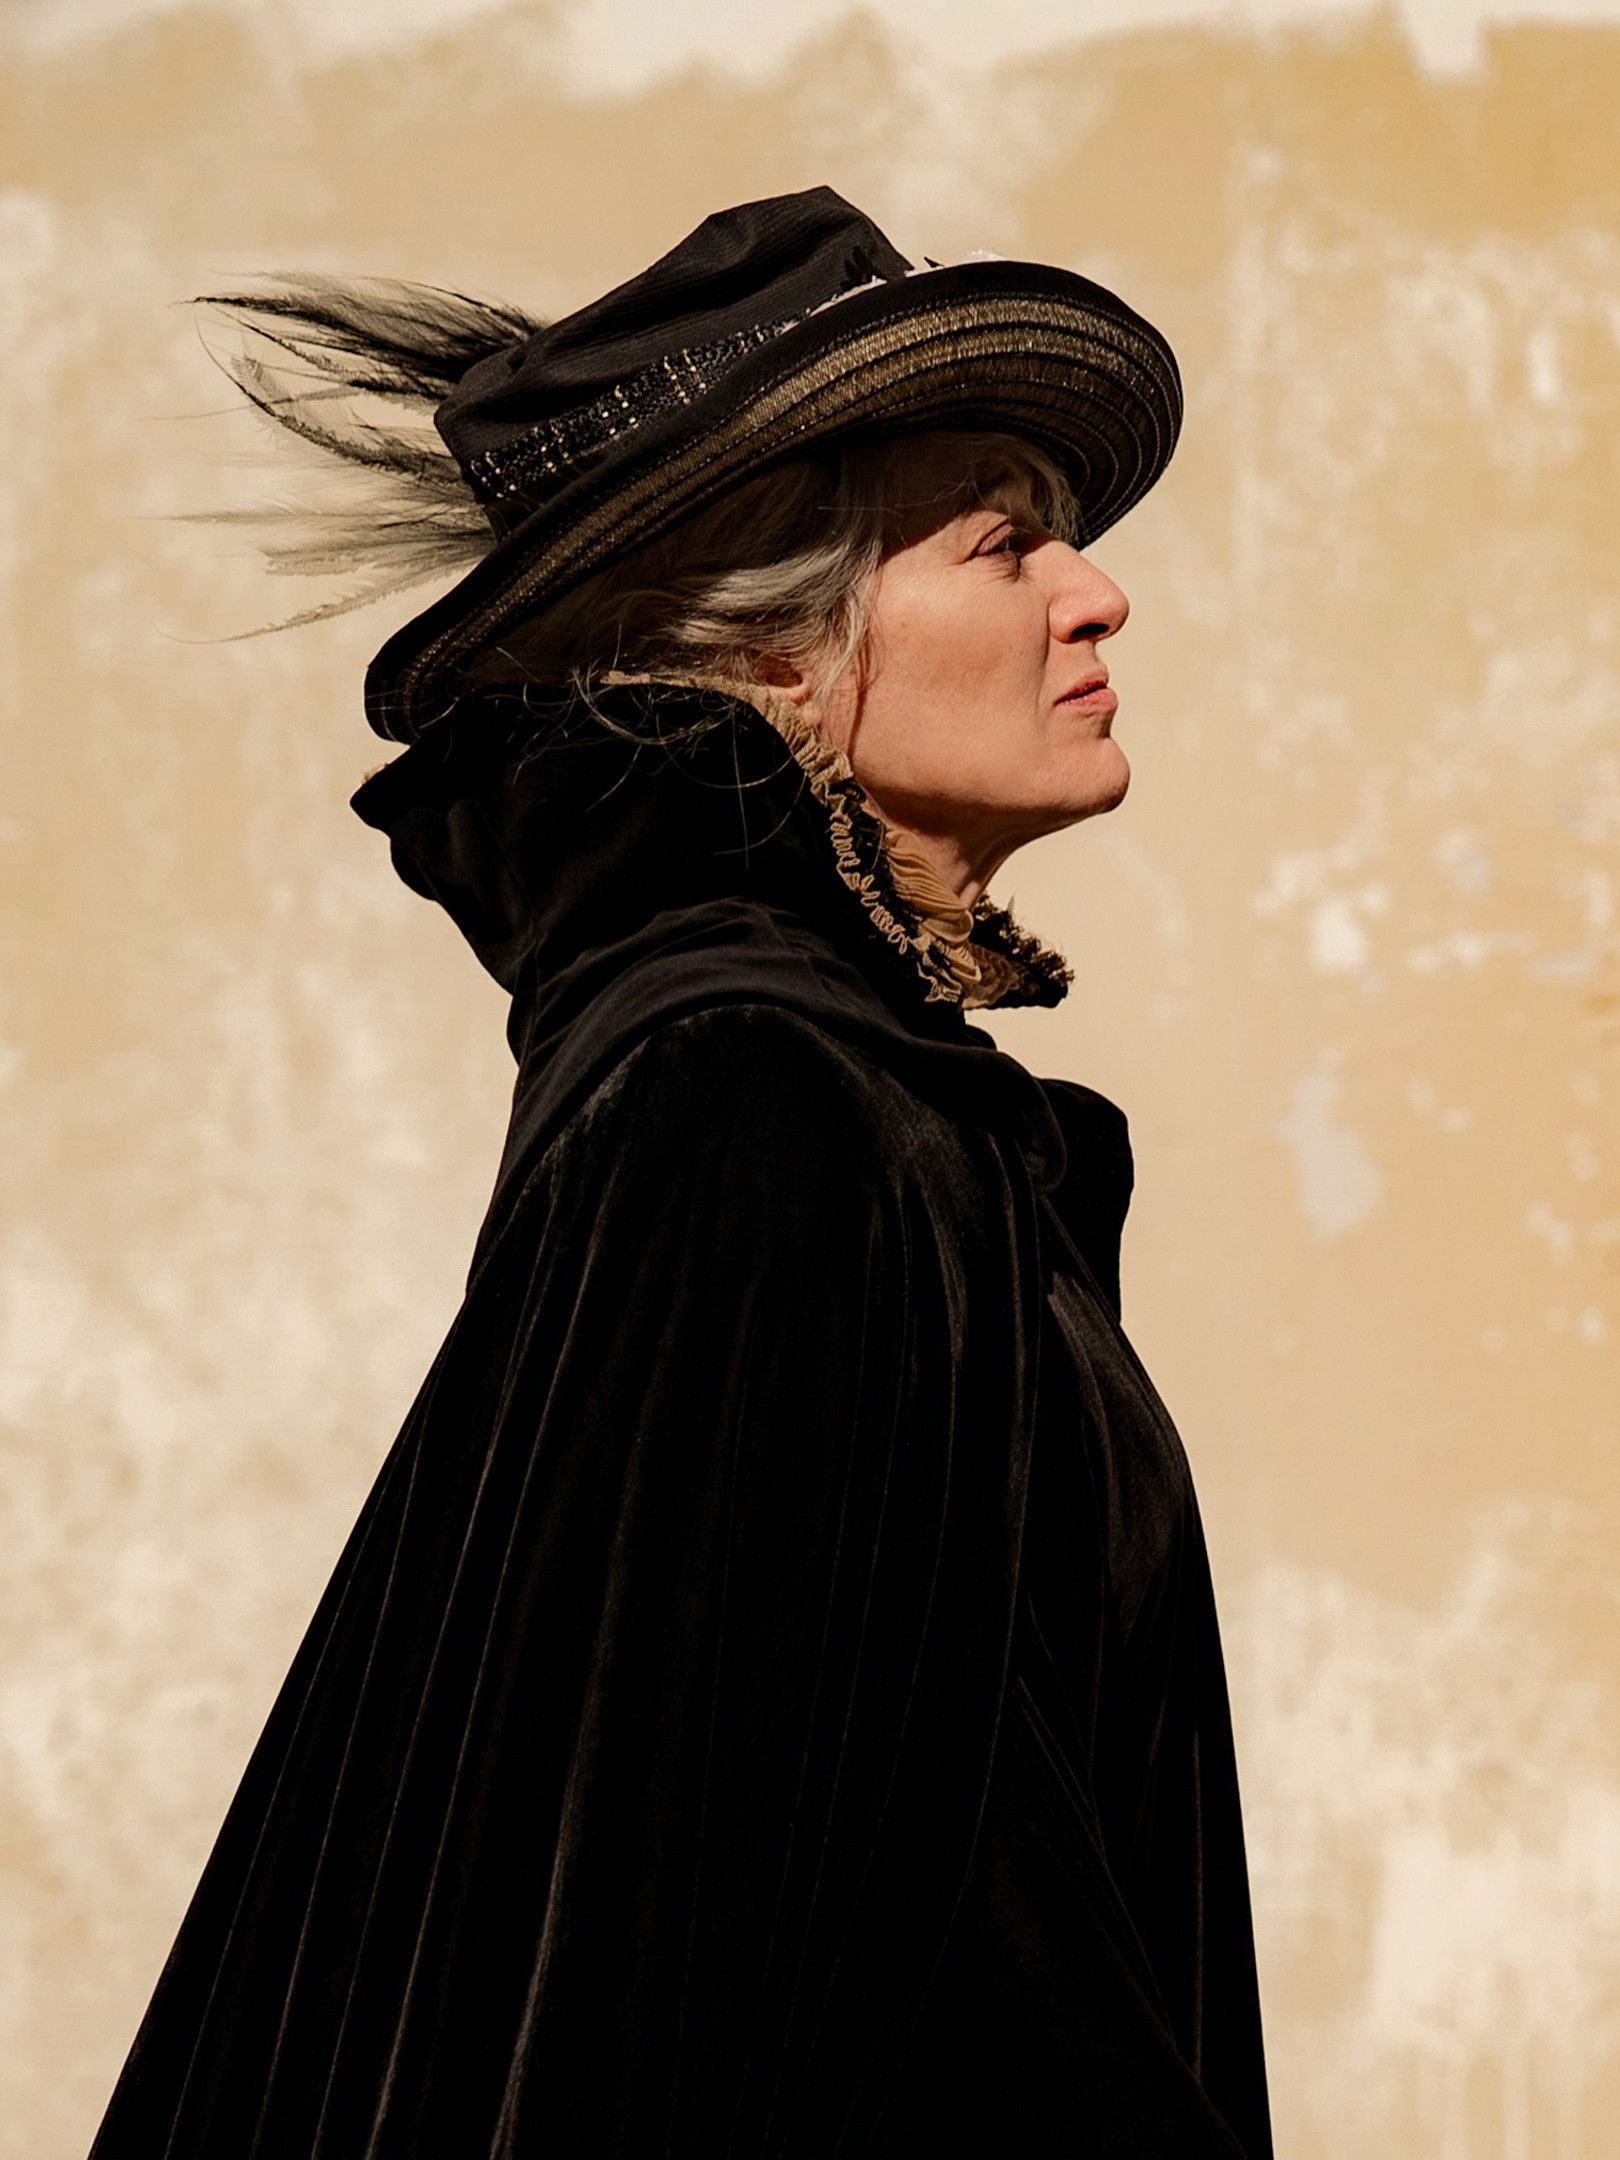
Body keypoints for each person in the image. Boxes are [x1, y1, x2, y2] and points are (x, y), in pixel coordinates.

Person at [88, 189, 1270, 2157]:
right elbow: (704, 1951)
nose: (1099, 597)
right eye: (1003, 542)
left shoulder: (848, 1098)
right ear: (774, 643)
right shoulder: (756, 1104)